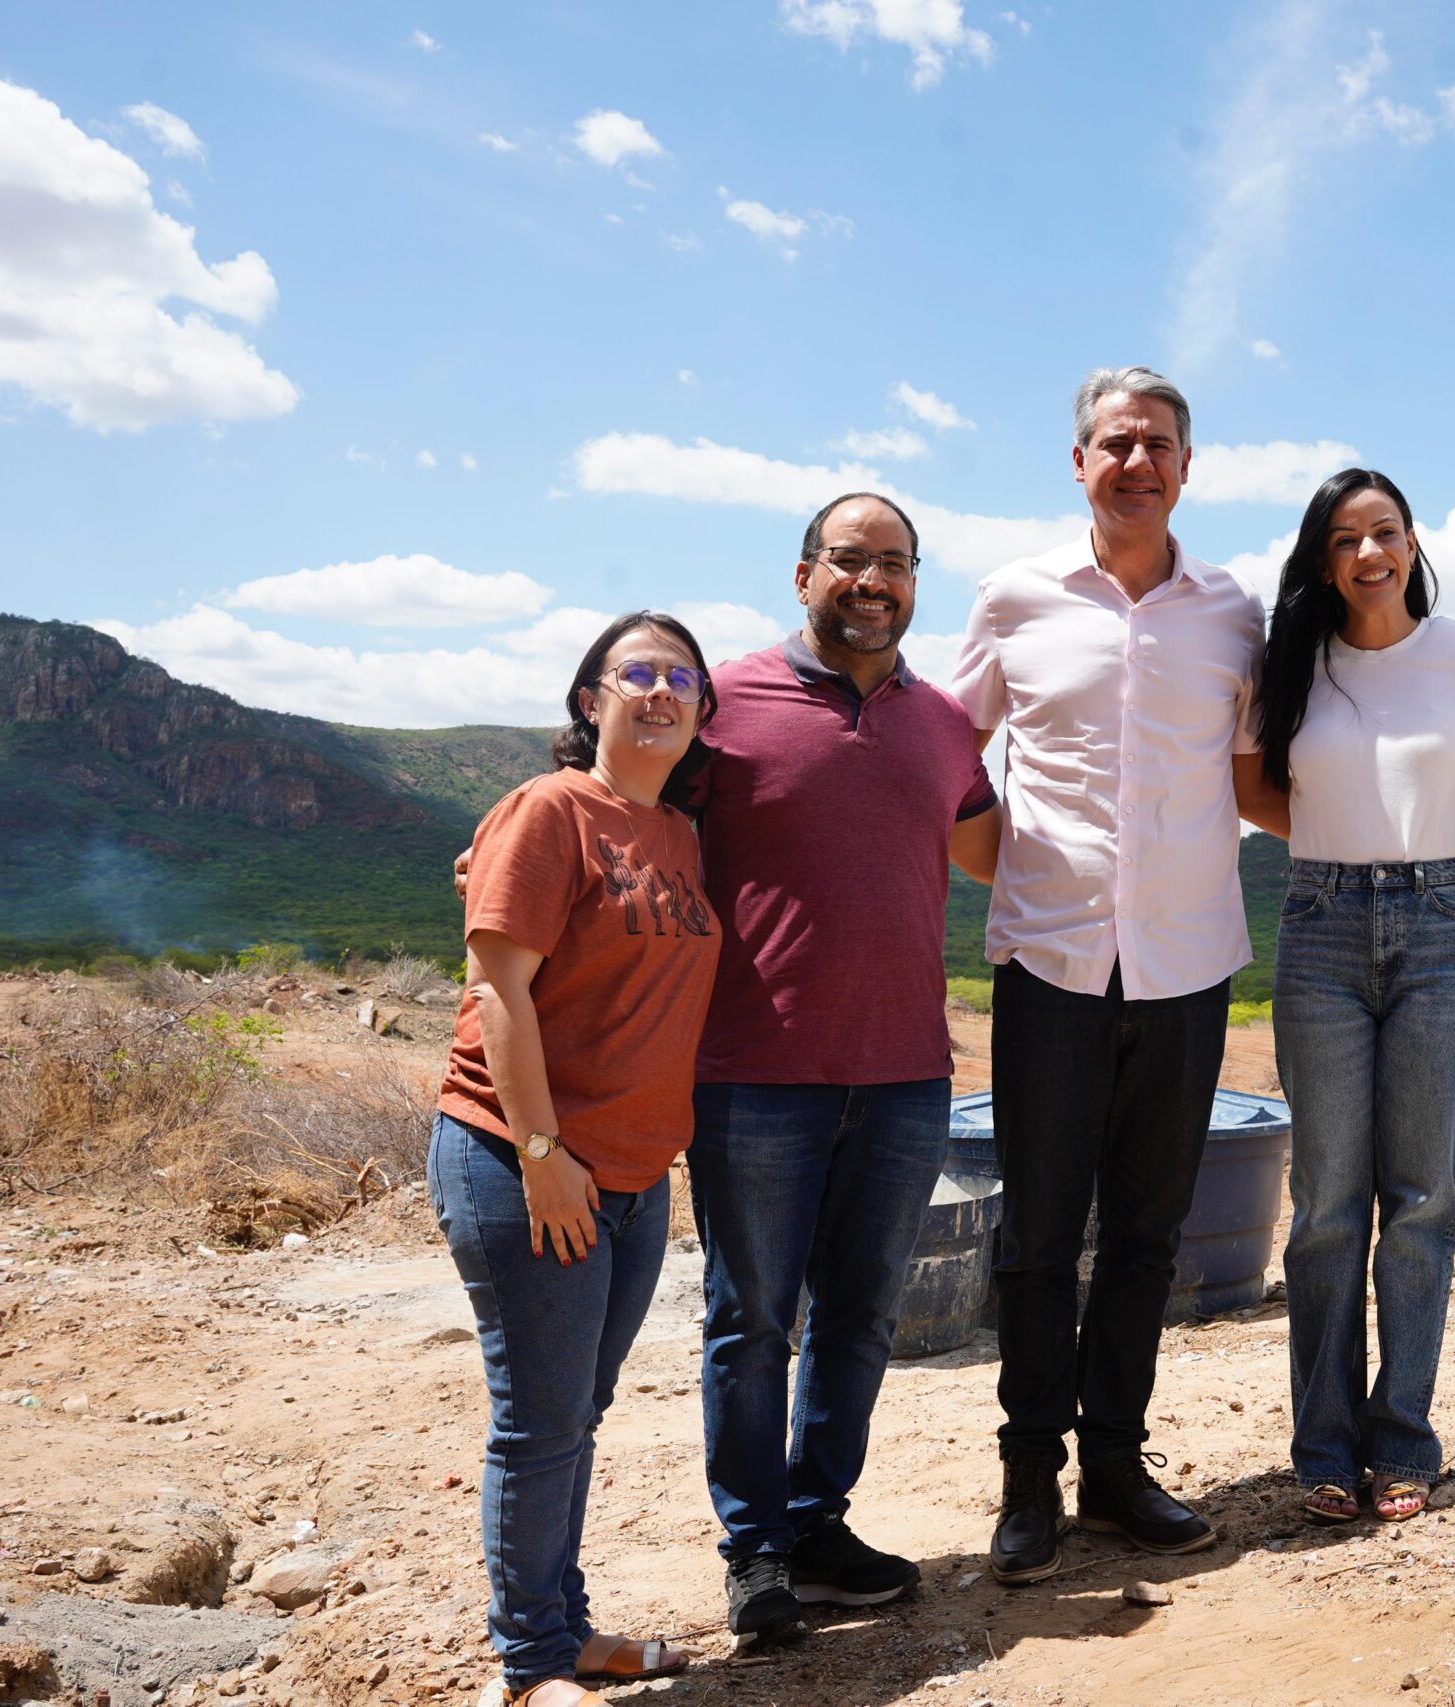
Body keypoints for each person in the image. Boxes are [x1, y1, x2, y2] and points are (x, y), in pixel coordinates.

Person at [948, 365, 1264, 1583]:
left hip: (1187, 965)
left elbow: (1254, 775)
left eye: (1160, 443)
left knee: (1145, 1233)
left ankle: (1117, 1470)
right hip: (1050, 963)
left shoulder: (1232, 613)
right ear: (1078, 463)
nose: (1137, 461)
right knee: (1034, 1235)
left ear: (1188, 466)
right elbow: (944, 757)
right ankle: (1028, 1481)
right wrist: (1013, 874)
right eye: (1115, 442)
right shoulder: (1014, 599)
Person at [681, 493, 1001, 1644]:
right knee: (752, 1319)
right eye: (851, 562)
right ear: (804, 573)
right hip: (752, 1072)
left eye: (896, 565)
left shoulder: (947, 724)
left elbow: (996, 849)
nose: (875, 583)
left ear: (917, 583)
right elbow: (614, 803)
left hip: (908, 1072)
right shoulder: (719, 704)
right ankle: (754, 1548)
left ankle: (817, 1522)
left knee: (861, 1318)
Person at [432, 611, 722, 1707]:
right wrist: (543, 1151)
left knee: (574, 1415)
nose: (659, 692)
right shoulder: (548, 810)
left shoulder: (682, 837)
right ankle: (530, 1665)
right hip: (524, 1163)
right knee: (540, 1420)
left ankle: (566, 1627)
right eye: (634, 674)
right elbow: (496, 990)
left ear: (701, 710)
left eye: (680, 679)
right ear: (590, 699)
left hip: (635, 1179)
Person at [1230, 468, 1455, 1525]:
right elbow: (1254, 786)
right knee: (1326, 1204)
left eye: (1383, 533)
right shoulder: (1288, 664)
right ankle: (1324, 1449)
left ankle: (1404, 1440)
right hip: (1320, 926)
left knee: (1424, 1200)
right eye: (1343, 540)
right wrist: (1348, 849)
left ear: (1410, 542)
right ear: (1322, 557)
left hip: (1447, 927)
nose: (1367, 555)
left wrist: (1452, 907)